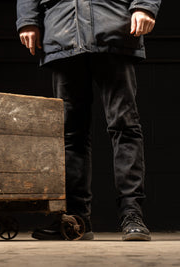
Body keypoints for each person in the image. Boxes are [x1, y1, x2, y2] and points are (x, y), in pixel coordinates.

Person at [16, 0, 161, 241]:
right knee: (70, 134)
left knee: (124, 127)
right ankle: (76, 220)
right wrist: (28, 20)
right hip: (63, 31)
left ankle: (132, 214)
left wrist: (145, 6)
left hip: (113, 27)